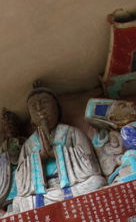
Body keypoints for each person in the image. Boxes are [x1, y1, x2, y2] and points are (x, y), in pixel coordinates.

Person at [12, 86, 106, 214]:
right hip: (44, 194)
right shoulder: (29, 145)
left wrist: (56, 152)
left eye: (44, 102)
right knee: (19, 202)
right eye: (34, 106)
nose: (39, 109)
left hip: (75, 186)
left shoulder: (72, 132)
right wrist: (39, 157)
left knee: (97, 182)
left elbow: (91, 165)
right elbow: (20, 180)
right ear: (31, 118)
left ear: (57, 109)